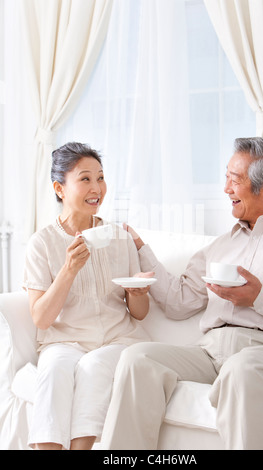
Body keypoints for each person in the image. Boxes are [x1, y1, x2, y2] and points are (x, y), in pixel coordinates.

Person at [100, 137, 263, 450]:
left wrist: (259, 298)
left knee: (243, 369)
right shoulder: (220, 245)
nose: (226, 189)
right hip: (210, 352)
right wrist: (140, 247)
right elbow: (179, 302)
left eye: (235, 180)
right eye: (226, 177)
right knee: (137, 359)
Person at [23, 142, 152, 450]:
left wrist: (137, 293)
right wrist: (68, 270)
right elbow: (41, 317)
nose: (97, 188)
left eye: (101, 177)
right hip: (64, 341)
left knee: (93, 367)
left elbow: (140, 313)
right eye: (85, 179)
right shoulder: (41, 244)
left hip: (117, 340)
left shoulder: (119, 238)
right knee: (53, 371)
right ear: (59, 188)